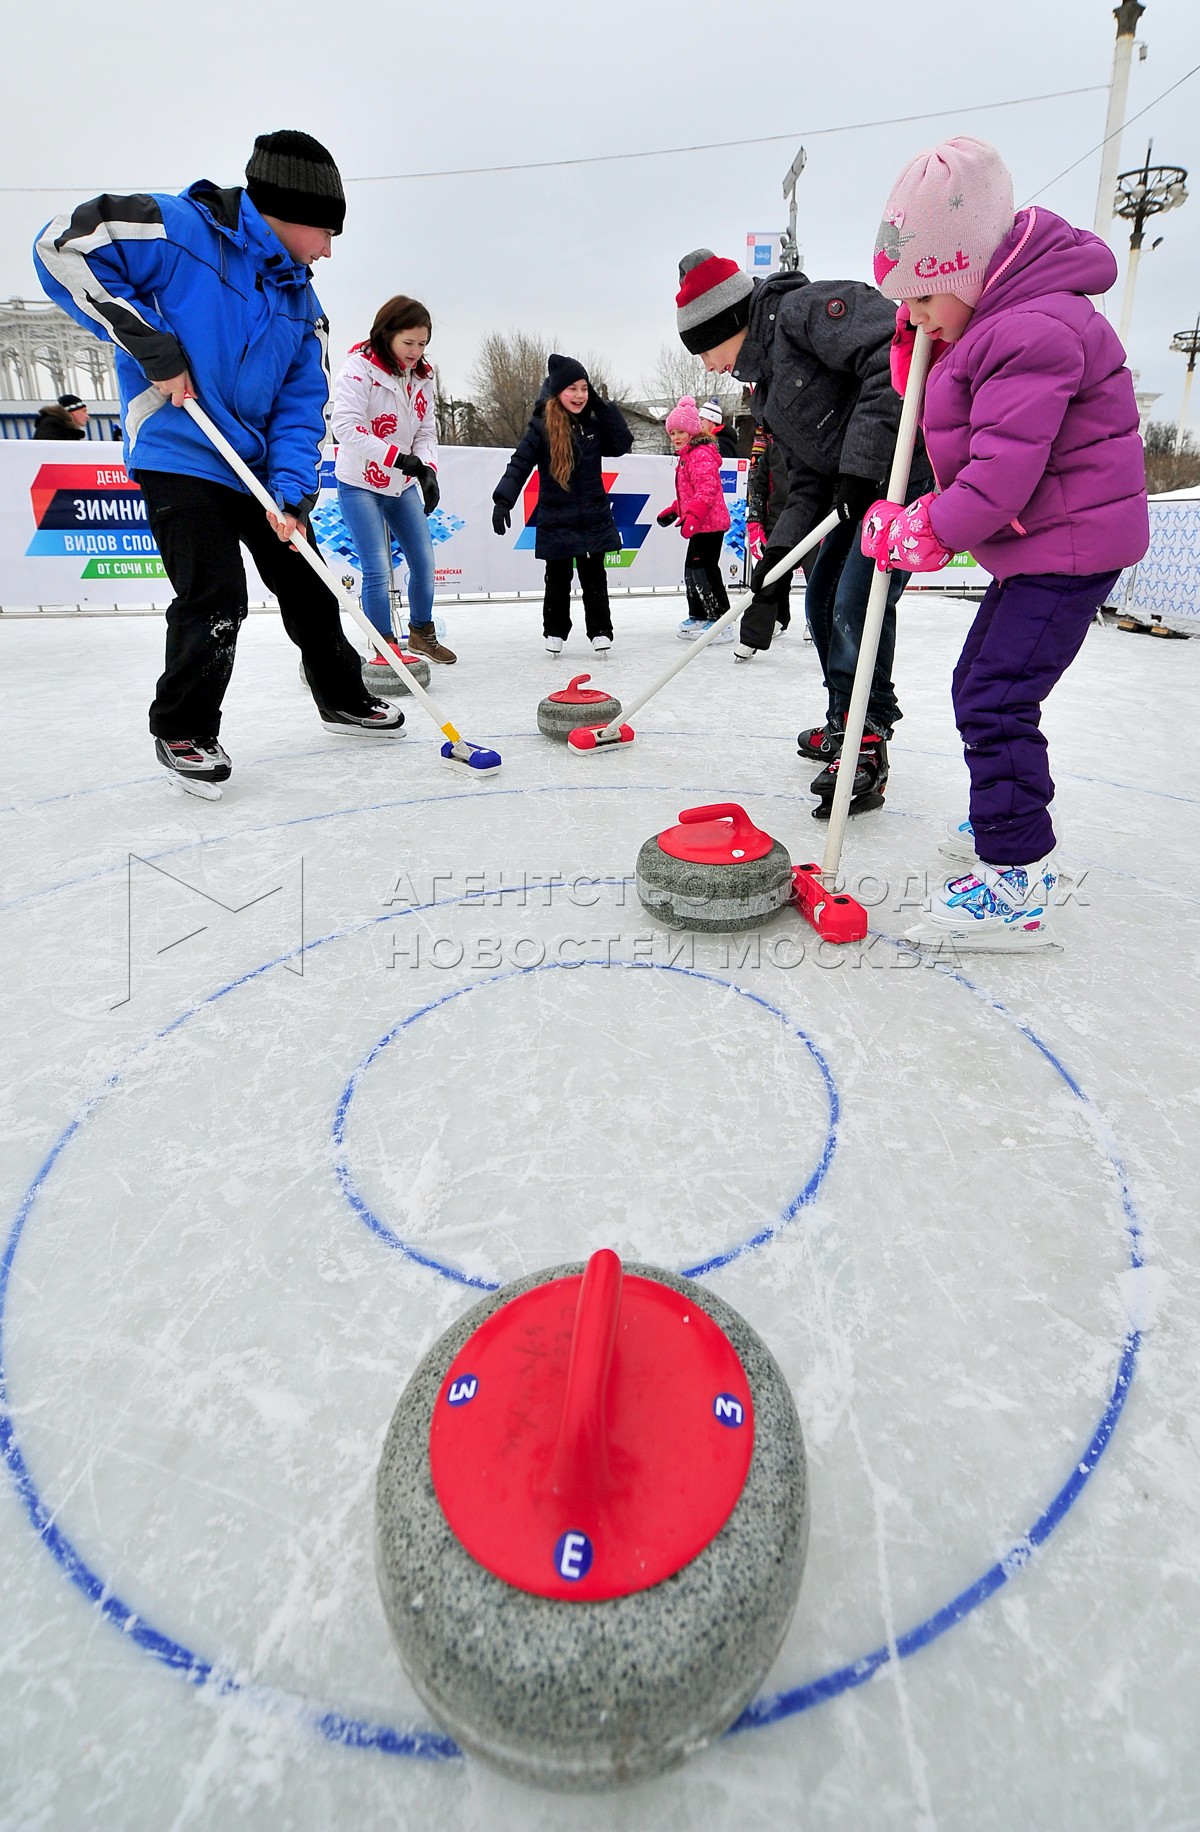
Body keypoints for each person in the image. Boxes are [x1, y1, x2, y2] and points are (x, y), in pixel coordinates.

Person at [33, 129, 402, 797]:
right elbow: (63, 244)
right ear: (286, 211)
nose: (327, 247)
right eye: (324, 230)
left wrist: (291, 494)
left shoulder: (302, 303)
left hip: (256, 469)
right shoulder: (178, 230)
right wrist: (150, 343)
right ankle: (184, 726)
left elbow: (300, 408)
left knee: (310, 580)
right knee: (216, 597)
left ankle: (341, 696)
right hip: (181, 450)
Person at [863, 136, 1149, 950]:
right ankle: (1003, 813)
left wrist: (926, 526)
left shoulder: (1033, 330)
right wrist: (926, 510)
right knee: (980, 684)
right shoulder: (995, 319)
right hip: (1047, 541)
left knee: (994, 696)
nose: (912, 320)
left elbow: (999, 477)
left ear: (963, 271)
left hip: (1069, 547)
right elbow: (977, 439)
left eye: (920, 301)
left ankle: (1016, 880)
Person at [673, 245, 930, 815]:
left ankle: (867, 737)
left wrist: (863, 466)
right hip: (857, 493)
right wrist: (779, 556)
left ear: (727, 323)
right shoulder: (766, 391)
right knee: (818, 598)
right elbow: (808, 476)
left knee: (855, 602)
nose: (708, 364)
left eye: (705, 348)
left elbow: (894, 359)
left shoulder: (806, 311)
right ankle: (845, 717)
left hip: (904, 478)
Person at [332, 294, 455, 677]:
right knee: (377, 567)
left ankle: (420, 632)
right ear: (387, 335)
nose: (416, 352)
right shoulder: (358, 369)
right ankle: (384, 642)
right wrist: (399, 458)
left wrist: (427, 469)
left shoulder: (423, 375)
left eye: (423, 344)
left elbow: (426, 429)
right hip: (360, 483)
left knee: (424, 561)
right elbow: (346, 428)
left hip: (401, 485)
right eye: (409, 343)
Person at [491, 354, 633, 656]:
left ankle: (600, 631)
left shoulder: (594, 425)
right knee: (557, 577)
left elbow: (622, 444)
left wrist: (601, 405)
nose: (579, 396)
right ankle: (555, 631)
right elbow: (520, 463)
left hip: (592, 515)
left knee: (595, 576)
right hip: (556, 516)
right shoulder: (541, 427)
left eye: (584, 388)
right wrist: (503, 500)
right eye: (572, 389)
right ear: (558, 392)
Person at [656, 395, 732, 639]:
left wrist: (693, 516)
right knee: (691, 570)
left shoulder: (700, 455)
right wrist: (675, 510)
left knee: (704, 570)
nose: (676, 437)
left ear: (691, 430)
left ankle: (721, 619)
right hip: (701, 523)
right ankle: (700, 615)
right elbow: (690, 494)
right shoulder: (688, 456)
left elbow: (706, 491)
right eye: (672, 433)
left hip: (710, 524)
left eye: (680, 431)